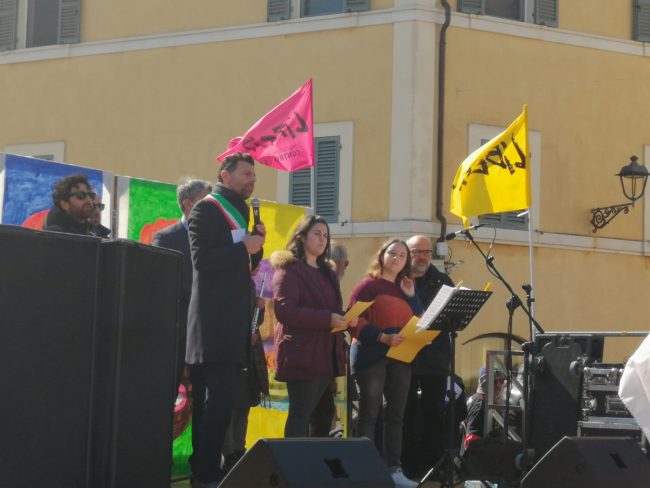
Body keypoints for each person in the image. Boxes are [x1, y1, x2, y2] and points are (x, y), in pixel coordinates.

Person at [186, 153, 265, 488]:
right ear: (225, 175)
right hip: (213, 324)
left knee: (224, 403)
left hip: (235, 324)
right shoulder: (206, 209)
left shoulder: (242, 211)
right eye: (246, 174)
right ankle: (205, 474)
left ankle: (209, 471)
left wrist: (256, 247)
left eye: (254, 176)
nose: (252, 180)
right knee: (216, 404)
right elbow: (202, 259)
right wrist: (245, 247)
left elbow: (244, 266)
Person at [348, 239, 423, 488]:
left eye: (403, 255)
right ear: (382, 255)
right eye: (392, 253)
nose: (397, 258)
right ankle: (364, 470)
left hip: (401, 359)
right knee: (369, 414)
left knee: (396, 416)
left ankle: (394, 470)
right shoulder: (368, 285)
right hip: (371, 357)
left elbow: (420, 320)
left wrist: (411, 296)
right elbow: (353, 321)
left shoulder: (406, 289)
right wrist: (382, 337)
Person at [271, 216, 353, 438]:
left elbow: (332, 310)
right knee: (301, 414)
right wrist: (328, 319)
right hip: (302, 354)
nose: (322, 239)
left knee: (324, 414)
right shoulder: (289, 270)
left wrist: (346, 318)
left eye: (325, 235)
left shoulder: (327, 272)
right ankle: (294, 461)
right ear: (301, 237)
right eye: (317, 234)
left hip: (326, 353)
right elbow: (285, 311)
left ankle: (316, 459)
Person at [402, 235, 454, 477]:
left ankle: (433, 467)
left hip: (435, 358)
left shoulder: (442, 281)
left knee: (434, 412)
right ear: (407, 253)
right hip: (404, 356)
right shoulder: (397, 279)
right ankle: (406, 466)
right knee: (405, 412)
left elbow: (451, 321)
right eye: (417, 252)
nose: (422, 257)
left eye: (427, 252)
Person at [152, 178, 212, 388]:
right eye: (206, 201)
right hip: (178, 331)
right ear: (188, 204)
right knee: (166, 391)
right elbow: (164, 282)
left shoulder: (215, 239)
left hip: (207, 333)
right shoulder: (166, 238)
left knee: (204, 395)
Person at [221, 278, 270, 474]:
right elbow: (227, 318)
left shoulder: (249, 283)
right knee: (231, 409)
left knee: (243, 405)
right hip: (233, 354)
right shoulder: (230, 282)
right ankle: (229, 453)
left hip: (249, 357)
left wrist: (260, 309)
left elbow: (254, 321)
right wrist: (242, 335)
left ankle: (239, 449)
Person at [308, 240, 349, 437]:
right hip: (313, 356)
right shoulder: (319, 281)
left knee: (324, 411)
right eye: (345, 264)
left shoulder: (330, 283)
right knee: (314, 412)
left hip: (327, 356)